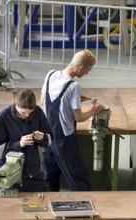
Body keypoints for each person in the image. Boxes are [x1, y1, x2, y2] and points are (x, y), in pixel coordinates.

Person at [41, 49, 105, 191]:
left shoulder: (50, 75)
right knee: (79, 180)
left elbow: (45, 102)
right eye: (88, 70)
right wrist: (94, 110)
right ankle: (85, 209)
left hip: (46, 136)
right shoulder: (74, 86)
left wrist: (72, 101)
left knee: (48, 177)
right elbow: (79, 117)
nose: (87, 73)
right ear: (81, 68)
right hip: (64, 141)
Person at [0, 88, 52, 192]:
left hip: (33, 172)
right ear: (16, 105)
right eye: (23, 112)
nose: (27, 115)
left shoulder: (37, 112)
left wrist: (43, 138)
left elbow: (49, 140)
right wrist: (19, 144)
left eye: (30, 112)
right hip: (8, 173)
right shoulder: (3, 118)